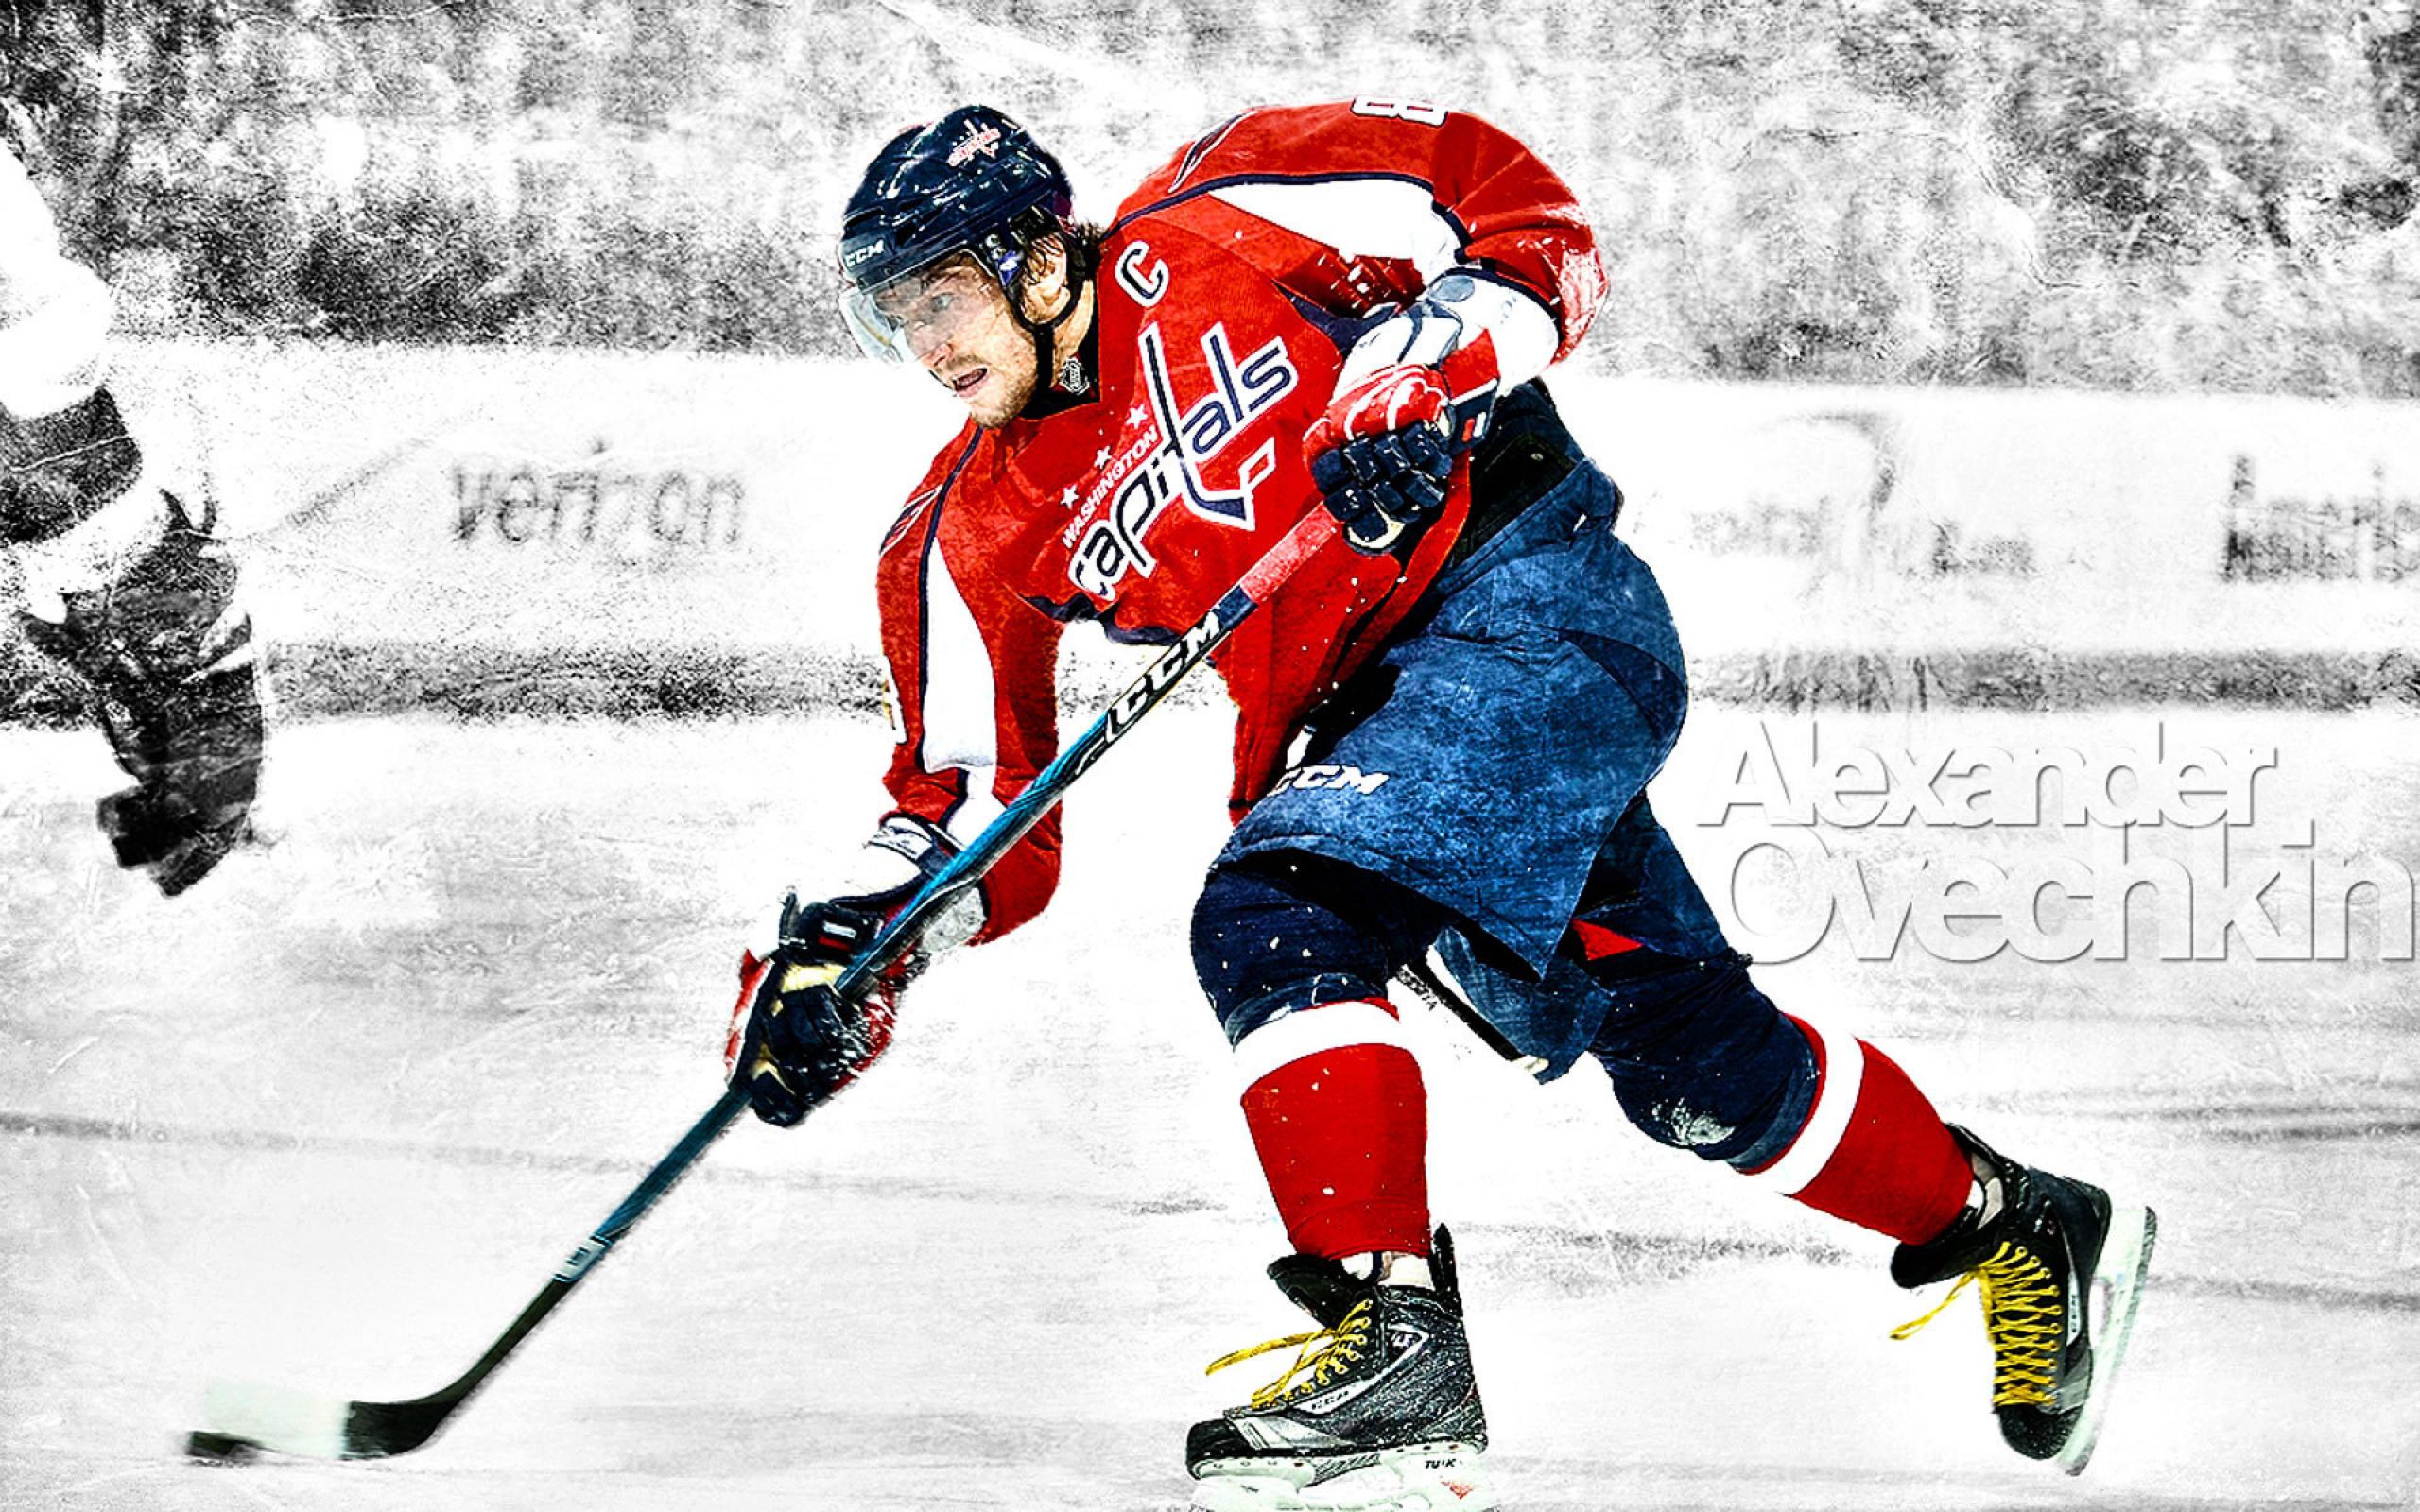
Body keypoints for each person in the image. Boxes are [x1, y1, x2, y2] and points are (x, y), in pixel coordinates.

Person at [725, 101, 2158, 1510]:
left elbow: (1514, 205)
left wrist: (1412, 370)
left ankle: (1391, 1335)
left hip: (1530, 606)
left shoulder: (1225, 205)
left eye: (943, 297)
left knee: (1277, 910)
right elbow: (979, 805)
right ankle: (2017, 1221)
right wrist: (860, 950)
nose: (927, 346)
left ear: (1039, 261)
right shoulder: (964, 533)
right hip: (1390, 731)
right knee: (1692, 1066)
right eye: (894, 317)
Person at [3, 132, 264, 895]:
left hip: (81, 515)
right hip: (79, 510)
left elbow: (106, 646)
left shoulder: (171, 739)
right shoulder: (198, 740)